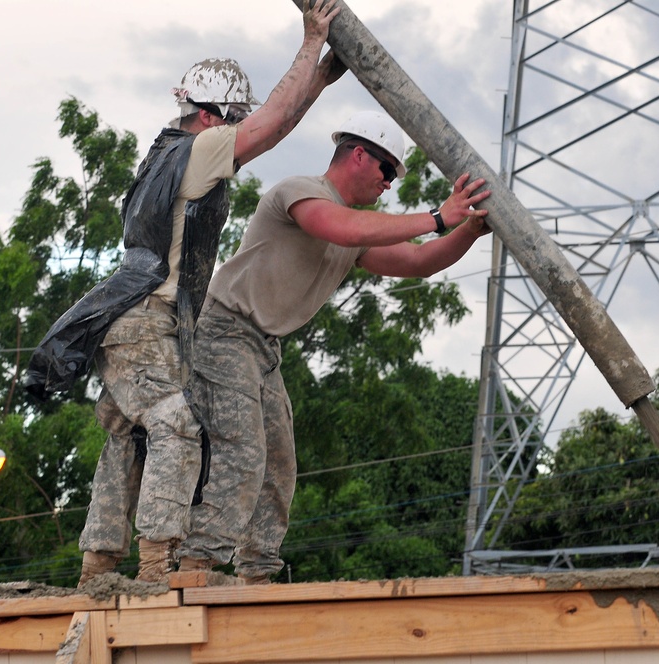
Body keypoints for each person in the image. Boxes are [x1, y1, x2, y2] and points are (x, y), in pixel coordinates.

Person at [22, 0, 345, 584]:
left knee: (127, 438)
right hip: (147, 319)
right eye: (230, 119)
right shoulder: (197, 151)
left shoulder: (170, 153)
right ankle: (153, 570)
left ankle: (98, 565)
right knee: (174, 425)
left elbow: (266, 132)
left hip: (139, 322)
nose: (234, 130)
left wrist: (318, 79)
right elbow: (266, 126)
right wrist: (310, 42)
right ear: (211, 114)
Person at [176, 110, 492, 583]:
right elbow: (341, 228)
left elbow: (419, 261)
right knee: (243, 448)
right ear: (359, 154)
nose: (388, 184)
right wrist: (434, 217)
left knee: (280, 465)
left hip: (262, 349)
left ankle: (257, 572)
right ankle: (196, 564)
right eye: (387, 170)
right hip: (223, 332)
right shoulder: (301, 193)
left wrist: (467, 229)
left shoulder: (355, 229)